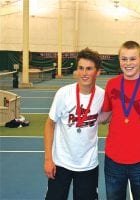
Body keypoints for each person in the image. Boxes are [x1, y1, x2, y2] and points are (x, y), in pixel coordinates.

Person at [102, 41, 140, 200]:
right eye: (124, 59)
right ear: (119, 60)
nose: (128, 63)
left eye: (132, 59)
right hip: (113, 161)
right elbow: (105, 116)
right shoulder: (111, 84)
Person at [44, 47, 105, 200]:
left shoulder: (102, 96)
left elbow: (108, 118)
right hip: (61, 163)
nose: (84, 73)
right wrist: (48, 159)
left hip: (88, 165)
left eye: (89, 69)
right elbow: (49, 124)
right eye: (81, 68)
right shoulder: (64, 93)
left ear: (97, 72)